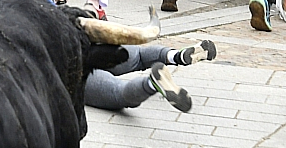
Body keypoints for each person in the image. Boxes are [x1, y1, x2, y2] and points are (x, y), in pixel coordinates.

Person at [85, 40, 217, 112]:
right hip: (88, 44)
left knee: (119, 92)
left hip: (74, 69)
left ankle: (151, 84)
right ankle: (176, 56)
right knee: (139, 56)